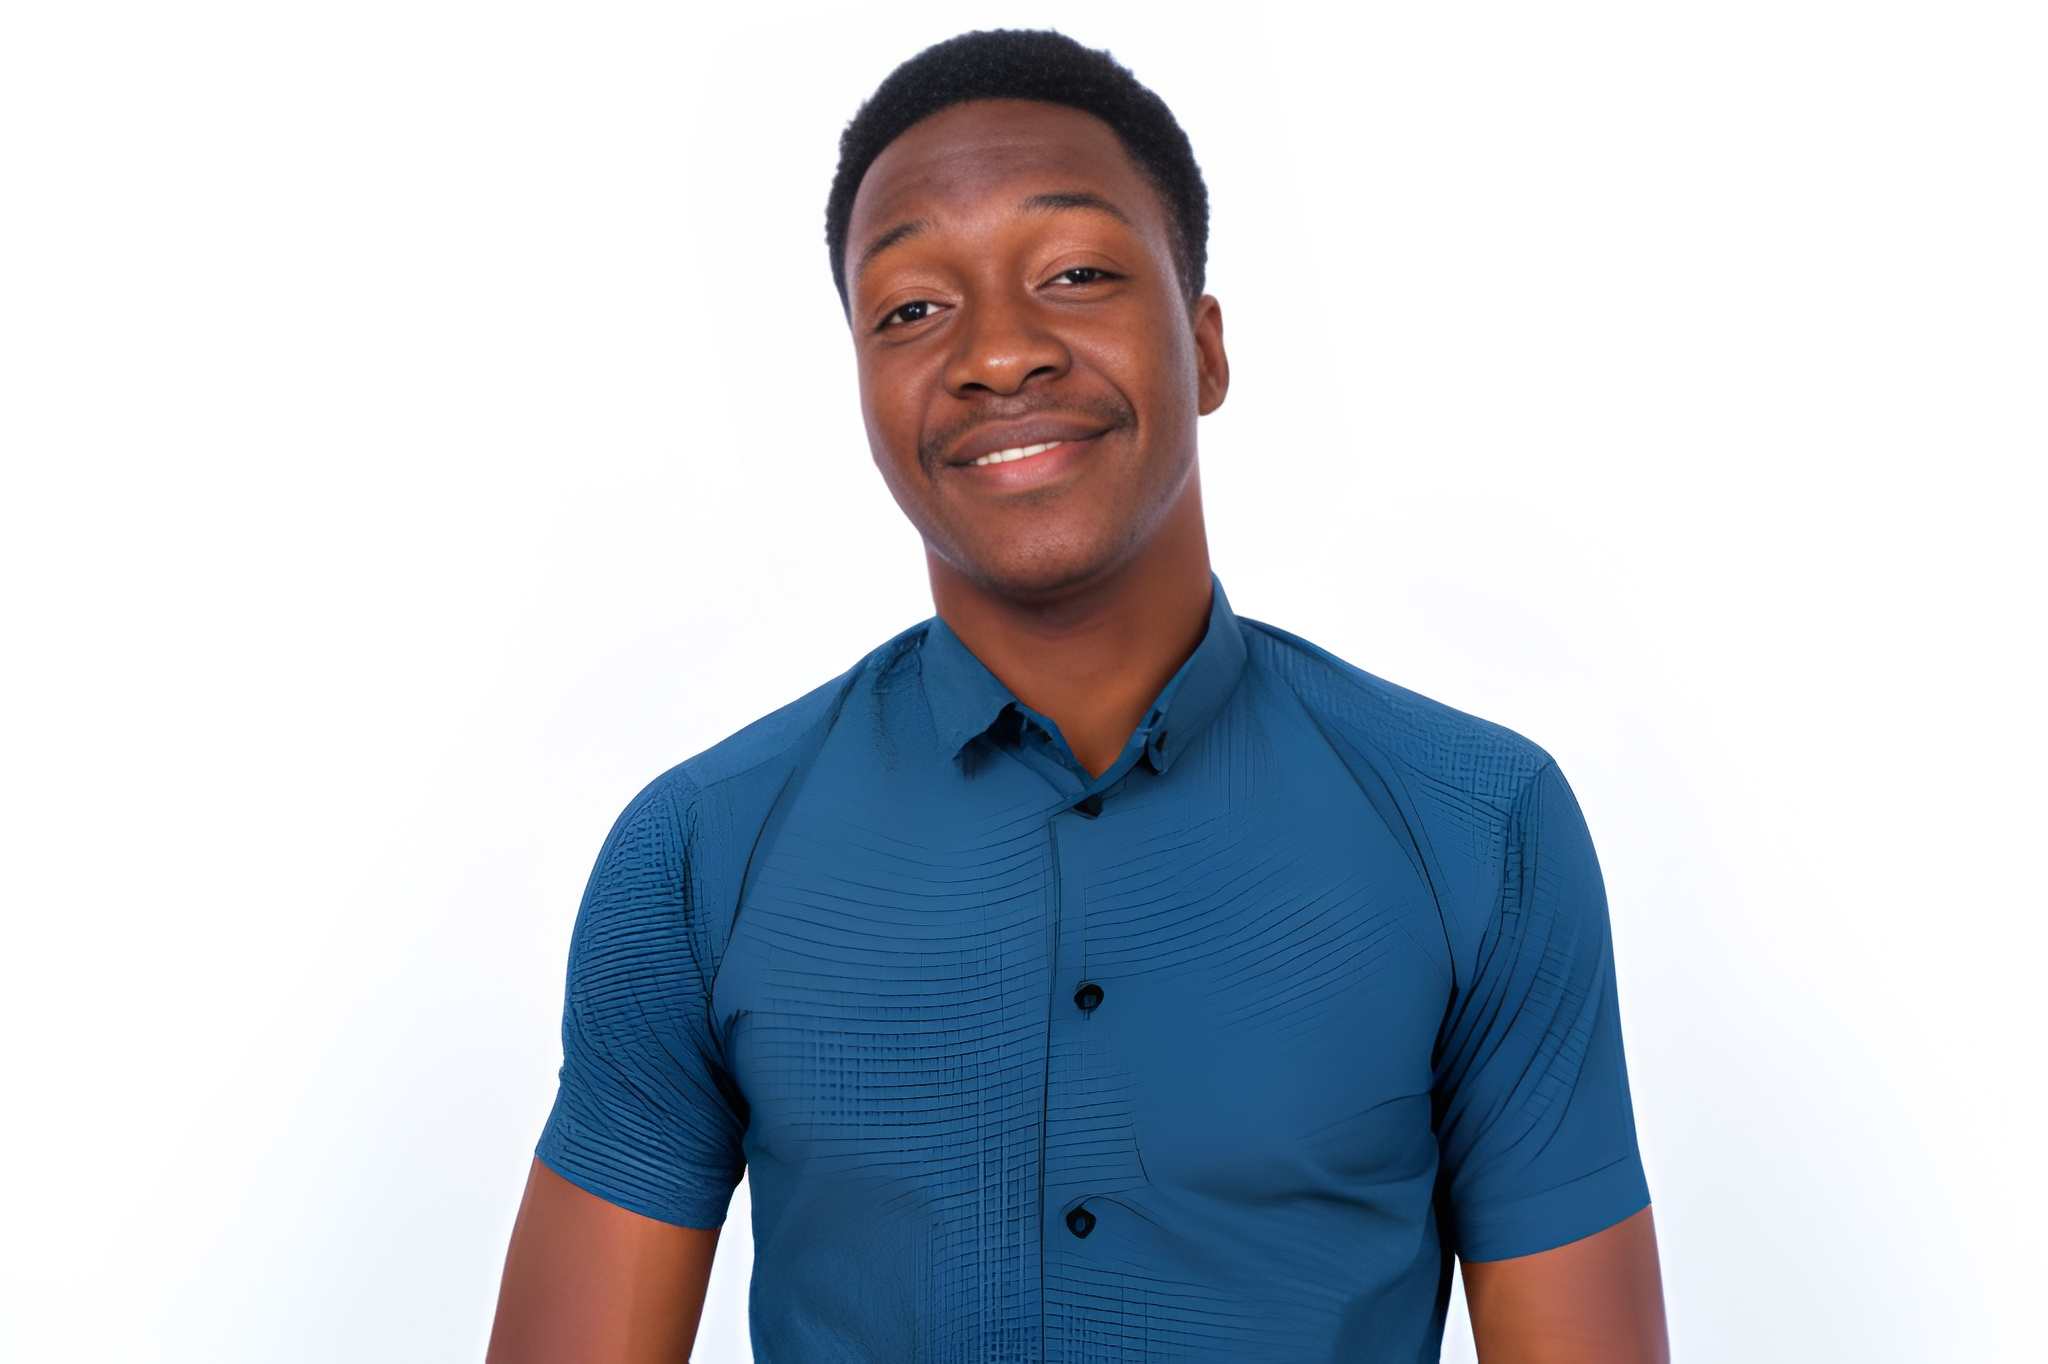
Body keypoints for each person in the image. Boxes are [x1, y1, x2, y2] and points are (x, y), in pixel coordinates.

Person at [488, 26, 1667, 1364]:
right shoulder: (698, 854)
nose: (1000, 354)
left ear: (1206, 350)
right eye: (912, 309)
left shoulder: (1479, 827)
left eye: (1077, 273)